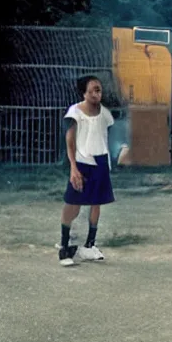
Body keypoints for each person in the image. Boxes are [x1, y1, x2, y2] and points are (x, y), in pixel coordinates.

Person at [58, 75, 116, 267]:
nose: (94, 94)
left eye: (97, 90)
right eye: (90, 91)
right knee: (73, 204)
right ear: (83, 93)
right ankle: (64, 248)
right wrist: (73, 168)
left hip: (101, 162)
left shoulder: (105, 114)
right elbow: (70, 140)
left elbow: (105, 137)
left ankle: (89, 246)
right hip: (82, 162)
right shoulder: (75, 111)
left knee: (96, 203)